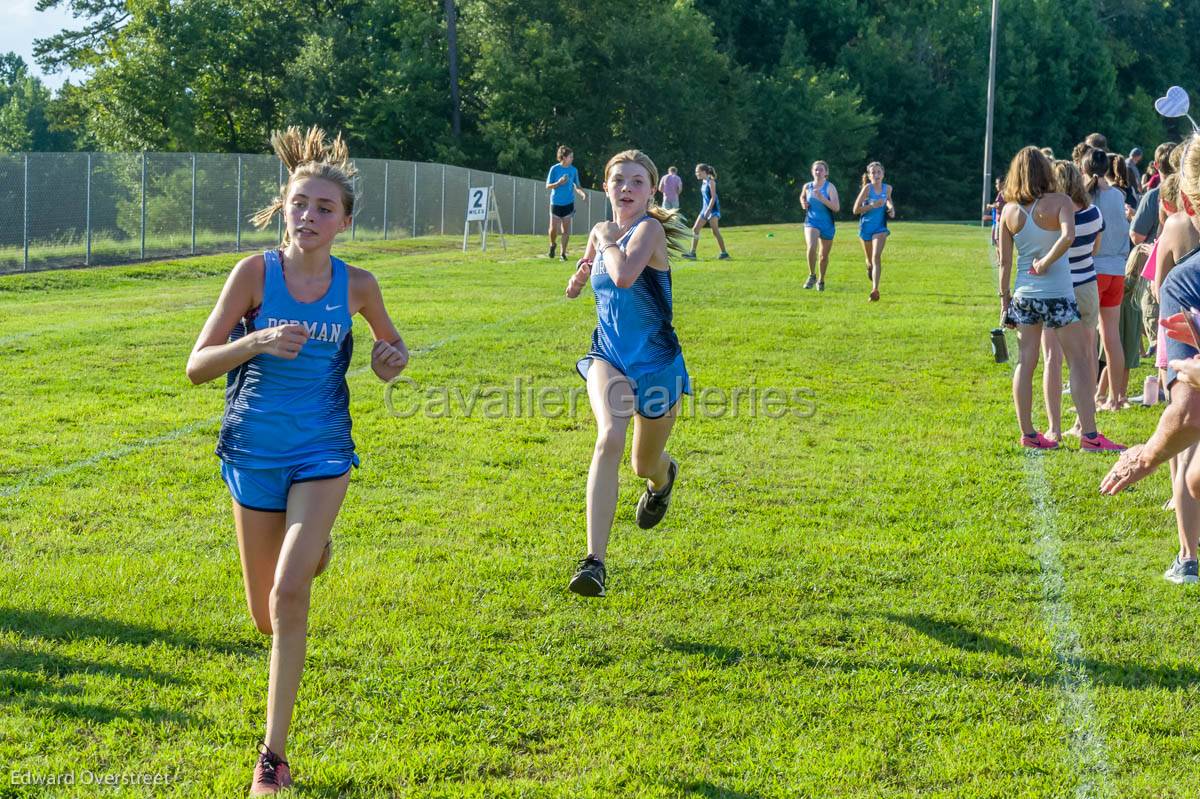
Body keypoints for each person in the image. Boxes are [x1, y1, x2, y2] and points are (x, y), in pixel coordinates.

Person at [186, 126, 409, 795]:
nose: (309, 216)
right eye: (300, 204)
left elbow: (392, 350)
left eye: (323, 208)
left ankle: (272, 760)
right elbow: (197, 366)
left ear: (344, 222)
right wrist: (253, 341)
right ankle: (312, 548)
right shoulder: (254, 274)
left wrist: (387, 359)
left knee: (289, 597)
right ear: (283, 209)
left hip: (322, 452)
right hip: (252, 452)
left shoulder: (359, 285)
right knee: (265, 615)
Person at [564, 149, 692, 597]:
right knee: (608, 438)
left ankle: (663, 481)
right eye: (619, 180)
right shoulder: (602, 233)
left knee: (644, 465)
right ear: (606, 186)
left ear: (651, 190)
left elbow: (621, 276)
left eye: (637, 181)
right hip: (609, 356)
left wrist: (604, 238)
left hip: (657, 365)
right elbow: (592, 270)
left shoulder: (648, 230)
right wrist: (580, 274)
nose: (627, 188)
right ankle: (594, 562)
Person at [1101, 133, 1200, 583]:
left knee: (1191, 470)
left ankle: (1186, 556)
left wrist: (1147, 457)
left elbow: (1188, 413)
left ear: (1188, 202)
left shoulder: (1185, 264)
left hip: (1174, 336)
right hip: (1179, 336)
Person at [997, 146, 1122, 451]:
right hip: (1058, 295)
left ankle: (1028, 433)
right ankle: (1090, 436)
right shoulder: (1061, 202)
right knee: (1079, 361)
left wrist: (1004, 302)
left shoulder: (1009, 211)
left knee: (1026, 363)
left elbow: (1004, 262)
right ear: (1045, 170)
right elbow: (1067, 236)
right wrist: (1048, 262)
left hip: (1025, 296)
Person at [1041, 160, 1102, 443]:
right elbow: (1095, 249)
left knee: (1053, 358)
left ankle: (1054, 427)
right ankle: (1083, 422)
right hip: (1087, 285)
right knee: (1087, 356)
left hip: (1059, 287)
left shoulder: (1052, 218)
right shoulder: (1094, 213)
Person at [1084, 148, 1133, 410]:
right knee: (1112, 338)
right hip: (1117, 270)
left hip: (1094, 270)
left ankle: (1090, 396)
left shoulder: (1084, 196)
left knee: (1090, 340)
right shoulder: (1118, 195)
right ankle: (1115, 398)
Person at [852, 161, 894, 302]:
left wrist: (891, 208)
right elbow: (855, 210)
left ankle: (875, 290)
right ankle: (869, 267)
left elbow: (888, 201)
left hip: (880, 228)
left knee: (876, 257)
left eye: (879, 172)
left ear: (883, 174)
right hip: (865, 228)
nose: (876, 175)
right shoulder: (867, 189)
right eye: (873, 172)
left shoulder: (887, 188)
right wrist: (872, 205)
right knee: (870, 261)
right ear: (869, 176)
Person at [800, 160, 840, 290]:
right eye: (816, 169)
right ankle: (812, 275)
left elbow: (836, 208)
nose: (818, 172)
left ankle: (821, 280)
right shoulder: (807, 186)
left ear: (826, 172)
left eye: (821, 169)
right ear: (812, 172)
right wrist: (803, 203)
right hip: (811, 222)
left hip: (827, 224)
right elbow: (802, 197)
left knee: (823, 257)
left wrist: (822, 198)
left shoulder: (830, 187)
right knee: (811, 247)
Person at [1131, 142, 1179, 246]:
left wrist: (1133, 217)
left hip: (1158, 256)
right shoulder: (1191, 192)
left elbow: (1137, 237)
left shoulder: (1153, 196)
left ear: (1156, 165)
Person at [546, 145, 587, 261]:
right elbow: (548, 186)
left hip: (569, 203)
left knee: (565, 230)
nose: (572, 159)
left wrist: (582, 194)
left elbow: (577, 186)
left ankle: (563, 254)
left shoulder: (573, 170)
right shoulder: (554, 169)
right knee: (553, 229)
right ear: (563, 157)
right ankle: (552, 244)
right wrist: (558, 183)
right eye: (570, 157)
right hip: (556, 202)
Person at [682, 163, 729, 260]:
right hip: (704, 209)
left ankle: (724, 253)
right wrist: (705, 210)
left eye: (697, 172)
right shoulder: (703, 181)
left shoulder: (711, 182)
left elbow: (713, 197)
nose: (696, 174)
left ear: (703, 172)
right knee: (695, 229)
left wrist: (709, 210)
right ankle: (692, 253)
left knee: (715, 232)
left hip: (712, 210)